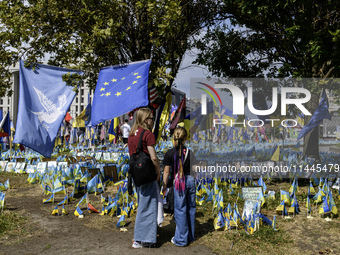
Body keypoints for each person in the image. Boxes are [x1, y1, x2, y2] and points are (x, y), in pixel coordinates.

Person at [127, 108, 160, 248]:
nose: (153, 120)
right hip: (147, 173)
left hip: (136, 173)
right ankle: (142, 239)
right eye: (151, 118)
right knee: (148, 205)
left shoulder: (131, 133)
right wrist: (158, 170)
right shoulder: (148, 134)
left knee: (143, 203)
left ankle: (142, 236)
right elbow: (153, 157)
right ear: (145, 119)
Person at [162, 127, 196, 246]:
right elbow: (195, 170)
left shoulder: (169, 153)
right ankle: (191, 236)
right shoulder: (190, 152)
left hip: (179, 182)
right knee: (191, 208)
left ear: (174, 138)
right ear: (185, 139)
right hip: (191, 180)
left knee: (180, 210)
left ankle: (181, 239)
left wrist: (164, 186)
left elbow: (166, 172)